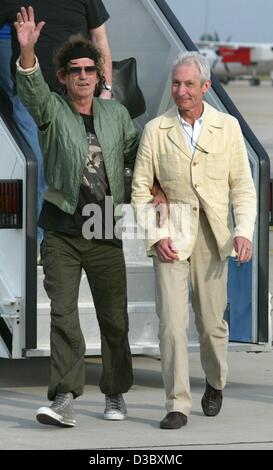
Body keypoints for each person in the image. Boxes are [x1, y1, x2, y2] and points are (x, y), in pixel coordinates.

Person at [15, 6, 137, 427]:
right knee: (63, 315)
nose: (83, 75)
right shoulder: (51, 111)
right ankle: (65, 395)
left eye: (89, 68)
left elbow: (138, 158)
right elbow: (30, 91)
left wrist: (156, 189)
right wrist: (28, 52)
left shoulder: (117, 115)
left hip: (103, 225)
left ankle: (116, 392)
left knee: (114, 318)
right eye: (74, 70)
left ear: (100, 74)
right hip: (63, 226)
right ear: (63, 77)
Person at [131, 51, 257, 429]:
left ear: (206, 87)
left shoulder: (228, 127)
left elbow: (243, 188)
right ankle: (176, 403)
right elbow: (140, 190)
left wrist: (242, 232)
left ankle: (216, 381)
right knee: (170, 323)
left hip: (214, 236)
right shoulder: (156, 129)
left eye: (189, 84)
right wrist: (156, 236)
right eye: (176, 83)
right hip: (173, 233)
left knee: (210, 325)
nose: (180, 91)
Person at [0, 1, 113, 250]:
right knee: (38, 166)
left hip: (77, 95)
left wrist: (106, 89)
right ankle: (42, 243)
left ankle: (94, 236)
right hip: (30, 94)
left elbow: (99, 38)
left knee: (86, 163)